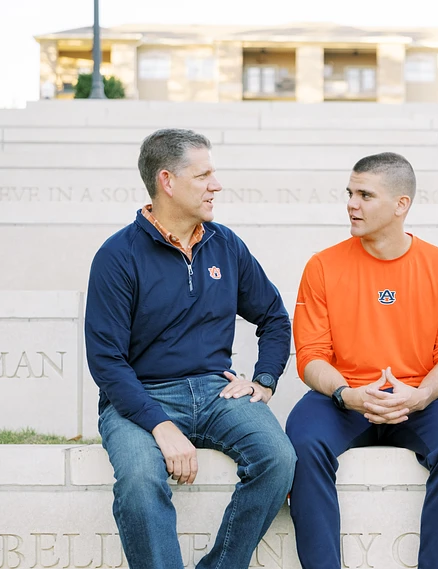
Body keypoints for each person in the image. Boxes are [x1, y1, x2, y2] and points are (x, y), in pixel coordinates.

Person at [84, 128, 296, 569]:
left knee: (278, 459)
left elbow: (274, 318)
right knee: (141, 480)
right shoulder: (117, 255)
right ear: (167, 181)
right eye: (203, 175)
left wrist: (264, 380)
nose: (215, 185)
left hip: (216, 391)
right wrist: (159, 425)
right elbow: (106, 361)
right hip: (141, 397)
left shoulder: (226, 244)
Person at [287, 152, 438, 569]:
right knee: (302, 442)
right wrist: (347, 393)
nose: (351, 204)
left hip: (417, 396)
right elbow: (311, 357)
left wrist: (421, 394)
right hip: (345, 396)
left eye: (365, 195)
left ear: (401, 204)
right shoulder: (322, 266)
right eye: (350, 193)